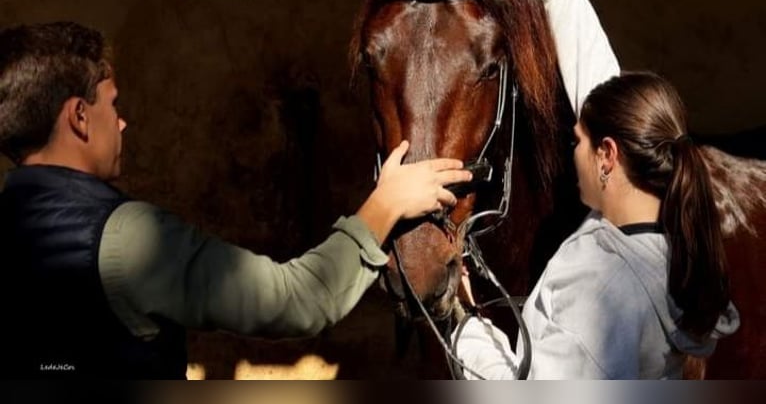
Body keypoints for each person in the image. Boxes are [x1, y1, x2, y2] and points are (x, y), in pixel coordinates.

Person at [0, 21, 472, 378]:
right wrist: (385, 204)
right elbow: (297, 300)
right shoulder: (124, 240)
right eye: (113, 105)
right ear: (80, 117)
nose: (122, 123)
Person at [452, 0, 740, 379]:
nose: (572, 150)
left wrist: (461, 320)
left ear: (609, 155)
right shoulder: (668, 245)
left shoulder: (603, 288)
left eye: (577, 141)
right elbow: (602, 84)